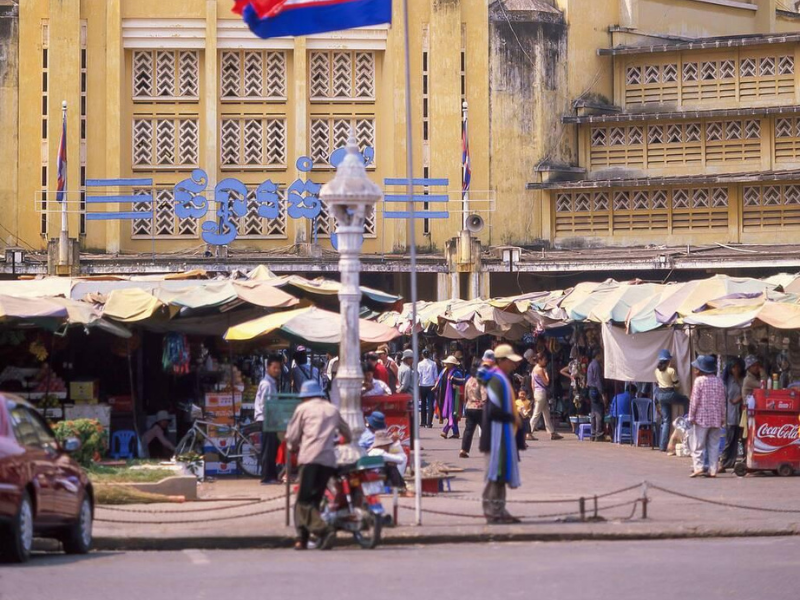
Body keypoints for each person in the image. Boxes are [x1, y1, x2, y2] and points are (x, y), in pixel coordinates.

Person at [285, 380, 352, 550]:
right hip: (328, 461)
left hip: (309, 458)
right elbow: (348, 433)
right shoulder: (332, 409)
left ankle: (323, 530)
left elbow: (292, 437)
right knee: (313, 499)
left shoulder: (303, 409)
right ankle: (303, 538)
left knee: (302, 501)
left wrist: (291, 448)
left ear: (305, 397)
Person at [479, 344, 522, 524]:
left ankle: (499, 510)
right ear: (501, 361)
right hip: (495, 435)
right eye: (510, 361)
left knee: (500, 474)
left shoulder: (502, 379)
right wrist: (513, 417)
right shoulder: (497, 380)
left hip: (501, 433)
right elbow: (494, 411)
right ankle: (492, 510)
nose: (513, 365)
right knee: (495, 474)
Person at [687, 355, 726, 478]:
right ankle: (713, 469)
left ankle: (698, 467)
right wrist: (723, 417)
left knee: (698, 445)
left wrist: (691, 417)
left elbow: (694, 401)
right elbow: (722, 401)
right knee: (714, 446)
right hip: (716, 419)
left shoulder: (699, 381)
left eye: (696, 368)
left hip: (701, 419)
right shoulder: (719, 381)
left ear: (701, 369)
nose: (694, 371)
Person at [654, 349, 689, 452]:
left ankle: (662, 446)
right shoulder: (671, 371)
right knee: (686, 401)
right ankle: (686, 420)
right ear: (668, 361)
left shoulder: (656, 371)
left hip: (660, 395)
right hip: (669, 394)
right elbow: (677, 384)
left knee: (666, 421)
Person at [254, 354, 282, 484]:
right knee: (268, 449)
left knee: (272, 448)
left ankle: (272, 476)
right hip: (267, 420)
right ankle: (267, 477)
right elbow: (266, 405)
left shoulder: (271, 383)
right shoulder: (266, 384)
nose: (276, 370)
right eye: (274, 367)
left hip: (270, 420)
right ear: (268, 368)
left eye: (278, 368)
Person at [719, 357, 745, 472]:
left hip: (741, 413)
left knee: (739, 439)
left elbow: (745, 392)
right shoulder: (727, 381)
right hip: (730, 413)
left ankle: (732, 462)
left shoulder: (742, 379)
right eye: (734, 367)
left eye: (738, 367)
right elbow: (725, 397)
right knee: (729, 439)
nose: (737, 369)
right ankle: (723, 461)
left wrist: (739, 399)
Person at [530, 353, 563, 441]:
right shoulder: (540, 369)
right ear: (539, 360)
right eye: (544, 360)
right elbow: (547, 382)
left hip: (537, 392)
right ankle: (528, 432)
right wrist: (546, 373)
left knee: (546, 414)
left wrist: (534, 393)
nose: (545, 361)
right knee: (536, 414)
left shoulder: (534, 369)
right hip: (541, 392)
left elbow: (532, 384)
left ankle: (552, 432)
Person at [435, 355, 467, 439]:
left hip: (455, 396)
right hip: (446, 396)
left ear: (452, 364)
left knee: (452, 414)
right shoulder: (445, 371)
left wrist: (455, 385)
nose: (446, 365)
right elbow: (440, 380)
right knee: (452, 415)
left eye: (448, 363)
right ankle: (456, 433)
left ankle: (445, 430)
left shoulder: (457, 373)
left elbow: (461, 383)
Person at [460, 360, 487, 458]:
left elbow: (465, 396)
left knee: (468, 430)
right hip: (479, 408)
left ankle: (464, 449)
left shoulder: (469, 380)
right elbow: (484, 396)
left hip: (469, 407)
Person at [740, 355, 764, 453]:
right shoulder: (749, 380)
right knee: (749, 433)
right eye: (754, 366)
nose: (757, 368)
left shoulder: (753, 378)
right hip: (748, 411)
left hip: (750, 410)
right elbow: (763, 387)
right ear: (749, 368)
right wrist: (763, 373)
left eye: (757, 365)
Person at [586, 350, 606, 442]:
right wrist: (602, 393)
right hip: (595, 390)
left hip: (591, 389)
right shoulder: (596, 365)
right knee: (598, 412)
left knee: (593, 412)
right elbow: (598, 380)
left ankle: (593, 433)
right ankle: (599, 433)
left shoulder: (590, 365)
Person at [418, 348, 438, 428]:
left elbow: (419, 376)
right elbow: (436, 376)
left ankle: (423, 422)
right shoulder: (433, 364)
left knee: (423, 403)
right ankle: (429, 423)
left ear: (422, 355)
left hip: (422, 385)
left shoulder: (419, 364)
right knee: (430, 404)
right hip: (431, 385)